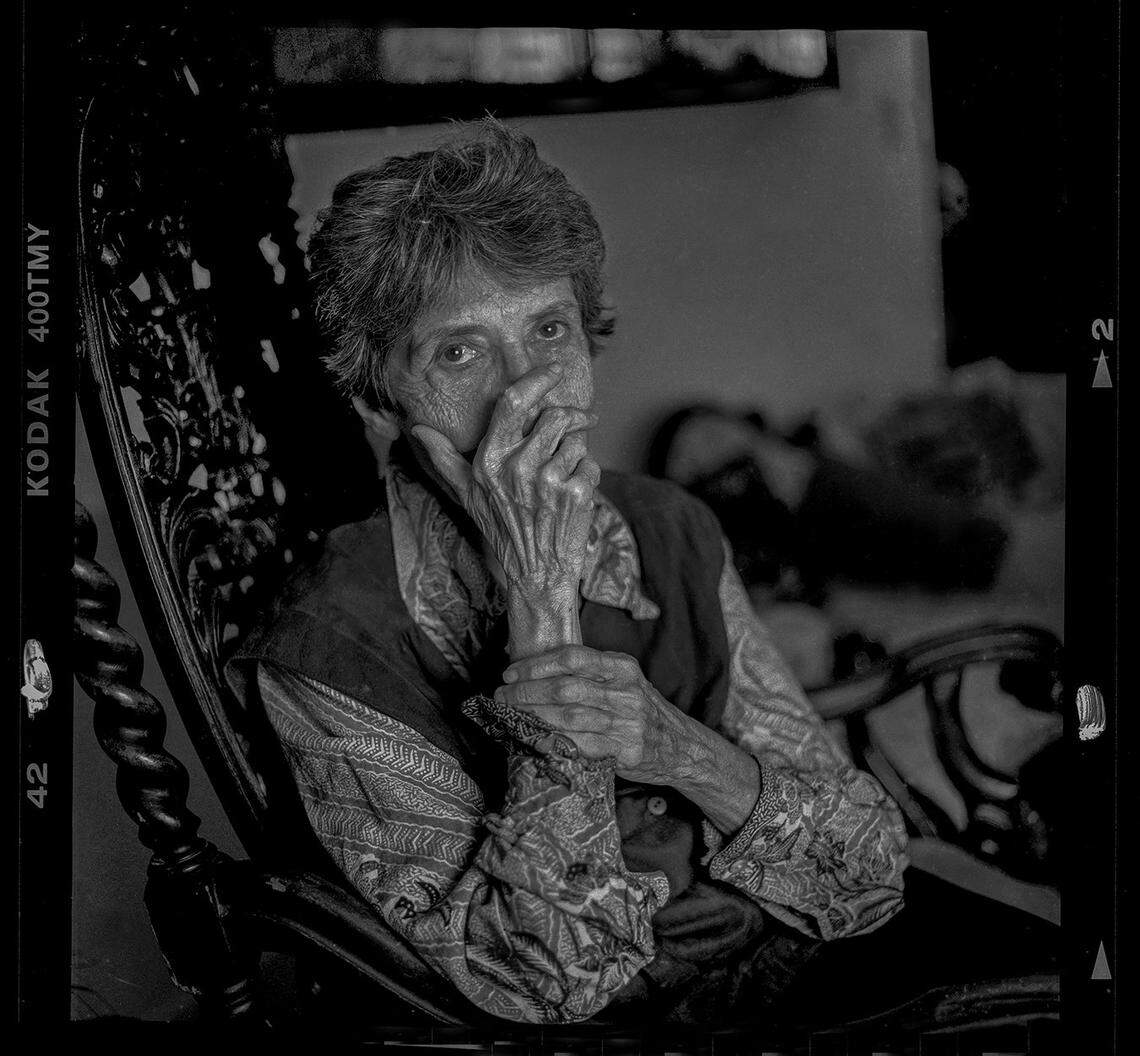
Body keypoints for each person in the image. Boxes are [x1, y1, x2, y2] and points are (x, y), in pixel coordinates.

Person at [224, 122, 1046, 1029]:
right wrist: (540, 600)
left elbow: (864, 866)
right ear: (378, 401)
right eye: (458, 352)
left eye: (549, 329)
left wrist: (677, 748)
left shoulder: (665, 525)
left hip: (782, 951)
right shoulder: (332, 640)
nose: (527, 391)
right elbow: (548, 981)